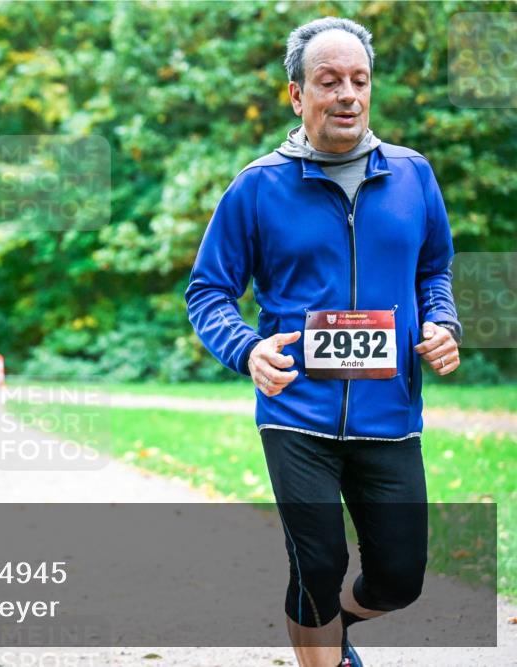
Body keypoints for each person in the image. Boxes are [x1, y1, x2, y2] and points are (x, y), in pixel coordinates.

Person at [184, 18, 461, 667]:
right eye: (328, 80)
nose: (347, 94)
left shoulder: (413, 175)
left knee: (400, 579)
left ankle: (332, 632)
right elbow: (208, 291)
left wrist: (442, 323)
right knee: (317, 563)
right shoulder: (257, 187)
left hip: (390, 415)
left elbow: (434, 269)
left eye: (359, 80)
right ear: (295, 95)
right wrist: (247, 348)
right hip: (295, 411)